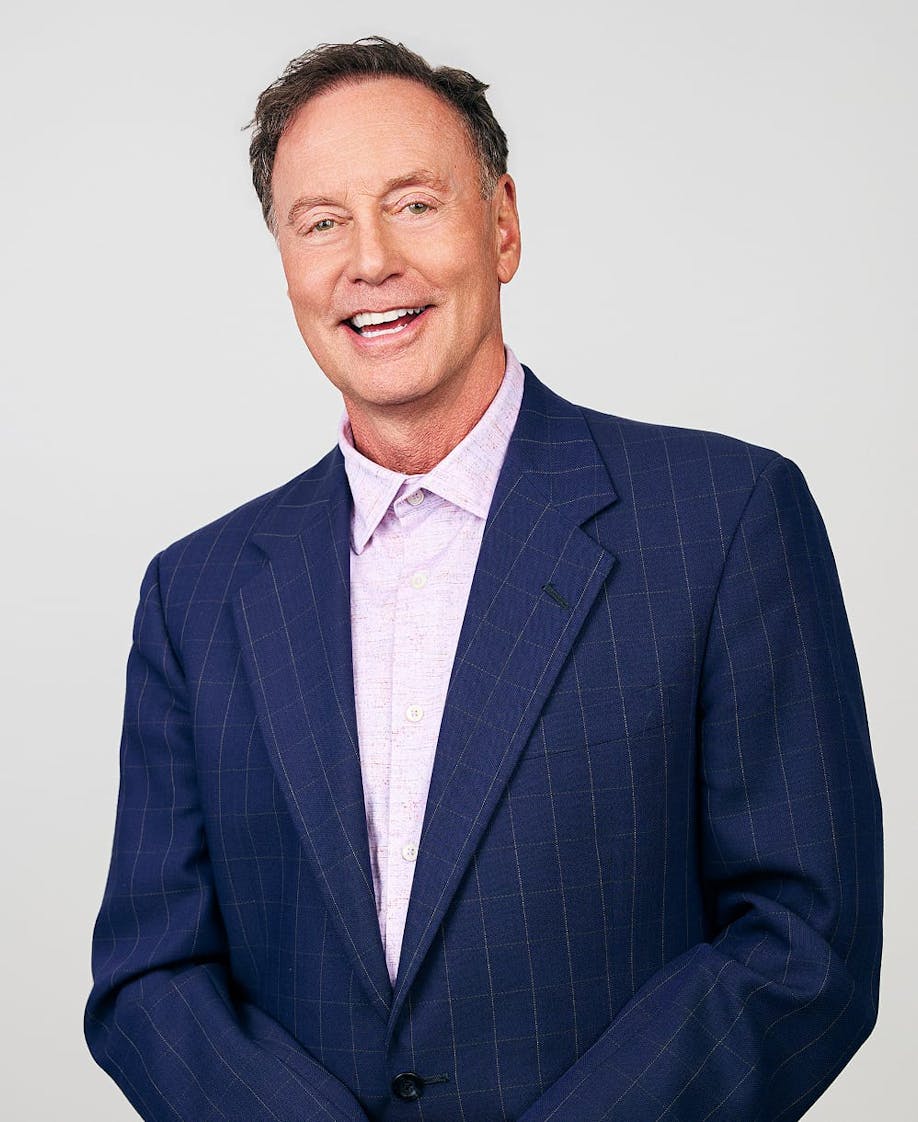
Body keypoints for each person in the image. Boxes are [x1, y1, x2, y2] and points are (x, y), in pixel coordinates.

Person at [85, 36, 883, 1122]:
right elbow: (149, 978)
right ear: (284, 261)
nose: (370, 260)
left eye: (413, 204)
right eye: (321, 222)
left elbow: (805, 943)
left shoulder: (726, 518)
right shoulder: (195, 593)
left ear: (502, 225)